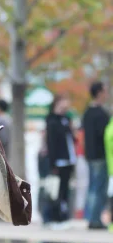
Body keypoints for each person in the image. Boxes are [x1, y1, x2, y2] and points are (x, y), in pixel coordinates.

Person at [45, 95, 76, 225]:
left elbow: (72, 138)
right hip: (58, 160)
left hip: (69, 159)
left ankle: (63, 216)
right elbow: (51, 143)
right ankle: (53, 217)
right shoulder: (52, 120)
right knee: (56, 190)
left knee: (64, 189)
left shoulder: (67, 119)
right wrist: (53, 163)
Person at [83, 81, 109, 229]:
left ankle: (92, 217)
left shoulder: (87, 113)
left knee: (93, 186)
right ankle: (94, 219)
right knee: (98, 188)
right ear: (99, 93)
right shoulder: (101, 114)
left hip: (90, 155)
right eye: (105, 91)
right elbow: (103, 134)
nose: (106, 94)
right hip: (100, 155)